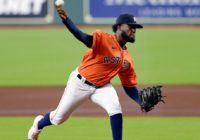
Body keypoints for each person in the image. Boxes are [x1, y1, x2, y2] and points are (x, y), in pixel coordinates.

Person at [28, 4, 144, 140]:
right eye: (130, 27)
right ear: (119, 27)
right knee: (58, 118)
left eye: (135, 28)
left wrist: (140, 100)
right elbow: (83, 37)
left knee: (115, 108)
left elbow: (129, 87)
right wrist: (67, 20)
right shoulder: (104, 39)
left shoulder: (127, 59)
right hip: (80, 83)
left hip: (102, 86)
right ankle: (38, 124)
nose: (133, 30)